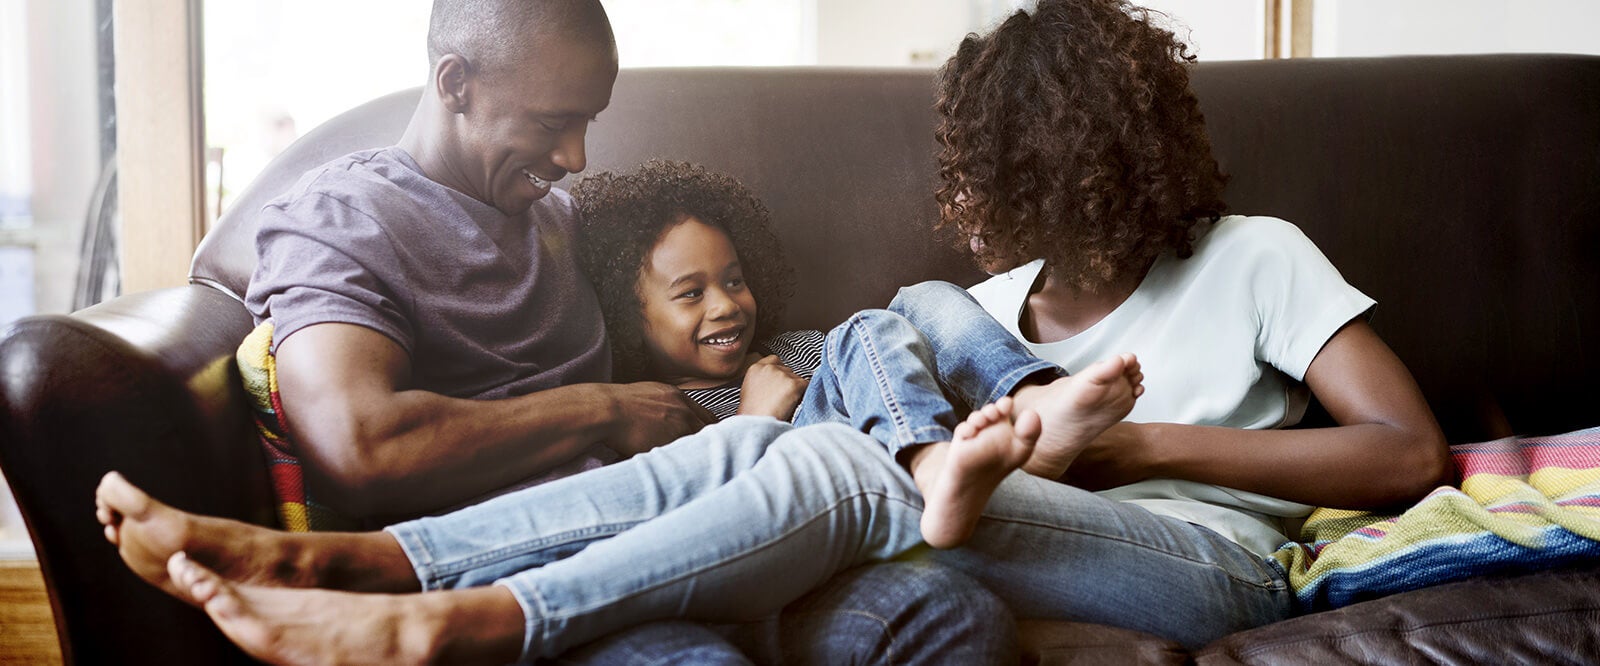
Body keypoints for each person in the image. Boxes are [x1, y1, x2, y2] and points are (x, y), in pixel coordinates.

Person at [97, 0, 1453, 663]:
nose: (966, 202)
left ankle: (439, 613)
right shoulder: (983, 322)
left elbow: (1407, 456)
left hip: (1214, 567)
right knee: (797, 456)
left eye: (993, 171)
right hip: (1015, 534)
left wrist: (1134, 441)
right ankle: (374, 562)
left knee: (862, 459)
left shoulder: (1256, 258)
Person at [221, 0, 1025, 661]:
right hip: (516, 575)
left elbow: (702, 342)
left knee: (948, 612)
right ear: (456, 82)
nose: (575, 156)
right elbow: (363, 446)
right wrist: (600, 410)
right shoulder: (341, 219)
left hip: (692, 534)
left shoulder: (567, 223)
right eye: (551, 124)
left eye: (588, 123)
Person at [571, 159, 1142, 546]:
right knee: (865, 329)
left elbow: (889, 366)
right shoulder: (663, 410)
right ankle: (935, 464)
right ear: (627, 313)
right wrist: (751, 420)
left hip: (952, 429)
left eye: (735, 280)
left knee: (920, 300)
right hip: (829, 487)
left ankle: (1030, 400)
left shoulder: (793, 346)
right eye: (691, 294)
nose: (725, 306)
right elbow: (708, 525)